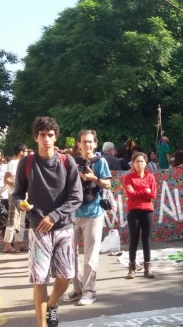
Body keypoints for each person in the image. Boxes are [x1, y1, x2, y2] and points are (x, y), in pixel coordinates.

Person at [13, 116, 82, 327]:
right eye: (42, 135)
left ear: (55, 137)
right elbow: (17, 194)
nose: (46, 139)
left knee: (67, 276)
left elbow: (76, 196)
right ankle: (42, 324)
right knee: (40, 279)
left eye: (50, 135)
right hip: (38, 228)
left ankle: (52, 304)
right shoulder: (26, 162)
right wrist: (20, 204)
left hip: (64, 228)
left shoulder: (66, 161)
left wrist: (55, 215)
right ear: (36, 138)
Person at [63, 129, 111, 306]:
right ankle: (78, 288)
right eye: (84, 141)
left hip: (94, 213)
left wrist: (93, 177)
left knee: (90, 256)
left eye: (90, 141)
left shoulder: (101, 161)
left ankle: (89, 292)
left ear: (95, 144)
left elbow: (108, 184)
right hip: (73, 214)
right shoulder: (72, 162)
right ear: (79, 144)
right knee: (70, 255)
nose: (87, 145)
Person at [123, 152, 157, 279]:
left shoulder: (150, 177)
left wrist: (139, 192)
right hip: (134, 211)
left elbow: (152, 194)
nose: (140, 164)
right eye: (137, 161)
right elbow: (130, 194)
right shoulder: (128, 177)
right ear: (133, 163)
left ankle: (147, 268)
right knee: (134, 239)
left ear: (145, 163)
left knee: (146, 240)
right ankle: (131, 268)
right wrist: (144, 191)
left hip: (147, 210)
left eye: (142, 161)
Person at [3, 143, 28, 253]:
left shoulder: (26, 163)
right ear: (21, 152)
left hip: (24, 196)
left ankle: (20, 242)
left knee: (22, 221)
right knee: (13, 220)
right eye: (26, 151)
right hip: (14, 195)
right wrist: (19, 186)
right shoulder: (12, 163)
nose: (27, 153)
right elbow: (7, 179)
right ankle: (7, 245)